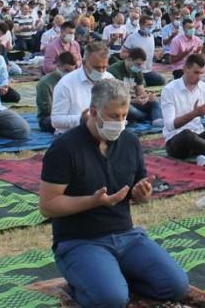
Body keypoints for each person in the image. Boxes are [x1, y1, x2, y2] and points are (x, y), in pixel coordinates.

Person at [39, 79, 188, 308]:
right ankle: (91, 283)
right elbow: (48, 206)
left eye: (123, 116)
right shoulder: (64, 148)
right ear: (93, 112)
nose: (120, 123)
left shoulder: (129, 141)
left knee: (176, 286)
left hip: (126, 235)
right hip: (80, 240)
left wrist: (141, 194)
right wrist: (93, 201)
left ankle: (111, 279)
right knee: (112, 301)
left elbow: (138, 193)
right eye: (113, 117)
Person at [52, 41, 115, 134]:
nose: (101, 72)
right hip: (73, 134)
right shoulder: (66, 84)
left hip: (102, 131)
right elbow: (56, 121)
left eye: (104, 67)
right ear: (84, 63)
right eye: (96, 67)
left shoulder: (109, 78)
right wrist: (81, 119)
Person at [108, 47, 163, 127]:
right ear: (129, 60)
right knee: (129, 109)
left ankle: (157, 120)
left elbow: (140, 92)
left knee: (156, 101)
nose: (140, 67)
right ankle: (148, 116)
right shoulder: (114, 71)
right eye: (138, 64)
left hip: (133, 102)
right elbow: (114, 98)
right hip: (120, 103)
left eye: (141, 64)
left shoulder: (137, 71)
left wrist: (147, 98)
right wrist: (134, 101)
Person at [36, 51, 78, 133]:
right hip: (49, 118)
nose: (69, 74)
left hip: (71, 114)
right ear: (58, 66)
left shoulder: (74, 79)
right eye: (66, 70)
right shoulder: (45, 83)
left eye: (72, 71)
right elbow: (47, 110)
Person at [122, 15, 164, 86]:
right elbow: (122, 54)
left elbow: (149, 53)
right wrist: (135, 57)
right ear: (141, 25)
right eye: (148, 25)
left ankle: (139, 83)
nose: (150, 27)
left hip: (148, 71)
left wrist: (156, 56)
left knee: (161, 81)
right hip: (135, 70)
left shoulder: (151, 37)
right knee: (136, 85)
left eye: (151, 25)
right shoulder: (132, 37)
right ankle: (134, 82)